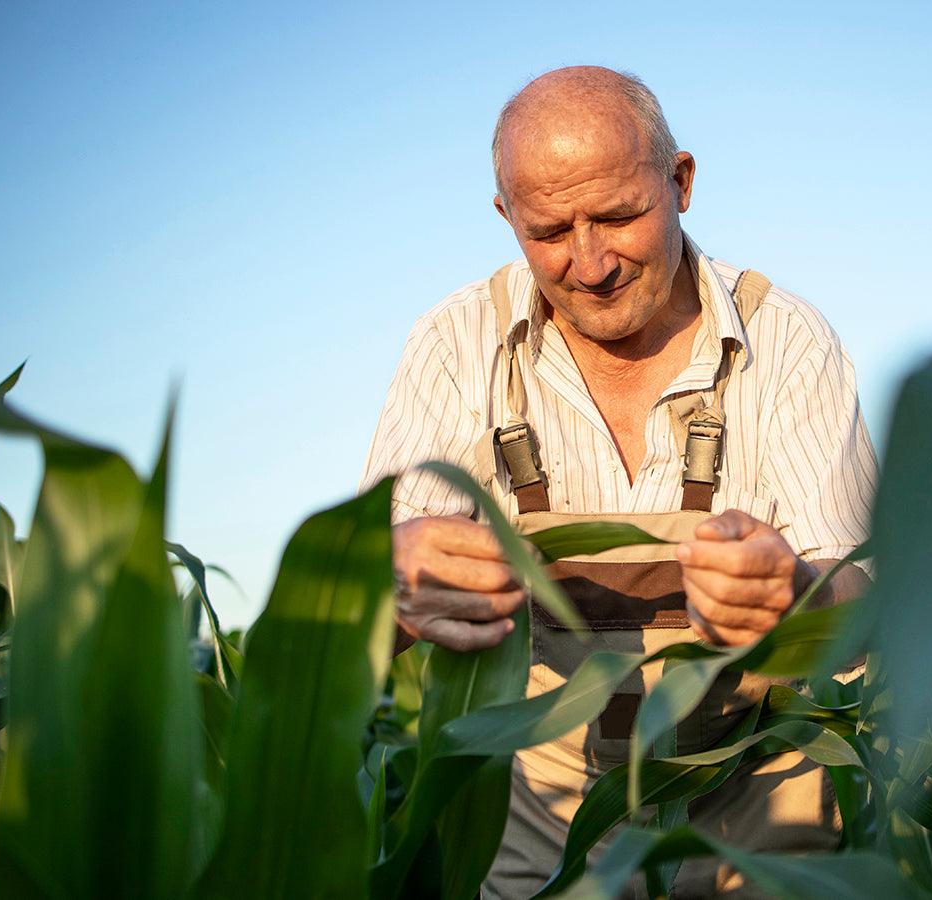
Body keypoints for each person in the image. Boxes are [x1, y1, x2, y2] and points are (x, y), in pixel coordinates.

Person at [359, 65, 876, 898]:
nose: (590, 262)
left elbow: (877, 606)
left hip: (759, 814)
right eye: (549, 231)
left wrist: (801, 594)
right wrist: (388, 588)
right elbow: (354, 626)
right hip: (536, 827)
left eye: (619, 215)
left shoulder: (788, 342)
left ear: (681, 183)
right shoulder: (456, 348)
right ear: (506, 218)